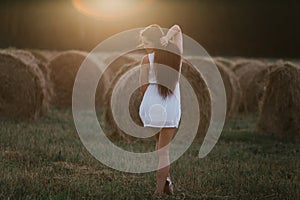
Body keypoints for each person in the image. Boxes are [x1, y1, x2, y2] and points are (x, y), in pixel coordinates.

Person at [138, 24, 183, 195]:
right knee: (164, 152)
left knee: (159, 148)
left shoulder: (146, 59)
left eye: (146, 42)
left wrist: (149, 100)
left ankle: (167, 184)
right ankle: (158, 194)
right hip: (170, 105)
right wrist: (168, 36)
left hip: (151, 104)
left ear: (155, 41)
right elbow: (178, 28)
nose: (144, 46)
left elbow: (142, 86)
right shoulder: (176, 54)